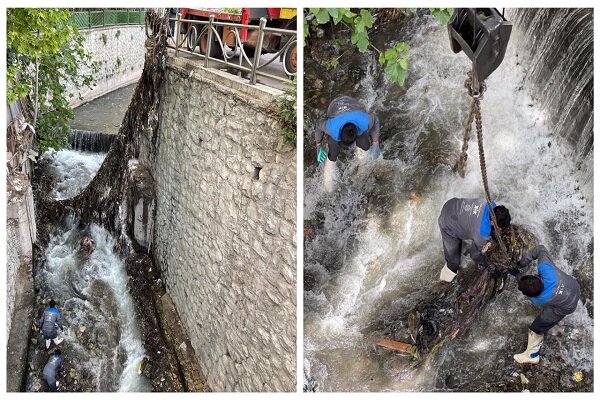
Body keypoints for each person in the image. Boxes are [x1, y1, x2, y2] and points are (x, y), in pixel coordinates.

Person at [512, 244, 580, 365]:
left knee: (536, 327)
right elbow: (540, 248)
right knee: (556, 300)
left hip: (568, 306)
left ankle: (532, 355)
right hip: (574, 286)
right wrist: (522, 262)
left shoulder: (539, 300)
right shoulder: (545, 269)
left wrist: (517, 275)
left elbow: (534, 298)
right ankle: (553, 322)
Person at [437, 197, 511, 282]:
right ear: (493, 222)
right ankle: (443, 282)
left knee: (470, 229)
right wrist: (488, 264)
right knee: (454, 262)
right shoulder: (482, 232)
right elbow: (474, 255)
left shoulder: (490, 203)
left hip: (452, 204)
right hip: (447, 222)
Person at [314, 96, 381, 162]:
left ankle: (363, 158)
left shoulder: (364, 121)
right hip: (334, 105)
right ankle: (331, 160)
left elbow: (375, 119)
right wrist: (318, 145)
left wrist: (375, 142)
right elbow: (318, 124)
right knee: (333, 152)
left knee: (365, 145)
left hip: (353, 104)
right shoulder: (332, 127)